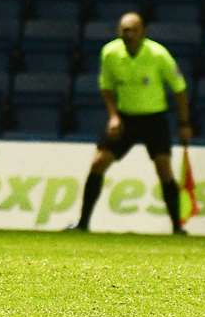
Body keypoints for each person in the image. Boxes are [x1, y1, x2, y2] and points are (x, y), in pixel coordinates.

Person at [70, 12, 194, 234]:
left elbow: (179, 89)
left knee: (163, 168)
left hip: (154, 118)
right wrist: (113, 116)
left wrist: (184, 123)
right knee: (98, 163)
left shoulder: (158, 54)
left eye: (134, 29)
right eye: (125, 29)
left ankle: (177, 227)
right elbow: (106, 86)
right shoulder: (110, 52)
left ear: (143, 31)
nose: (129, 34)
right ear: (120, 31)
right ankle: (83, 223)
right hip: (125, 117)